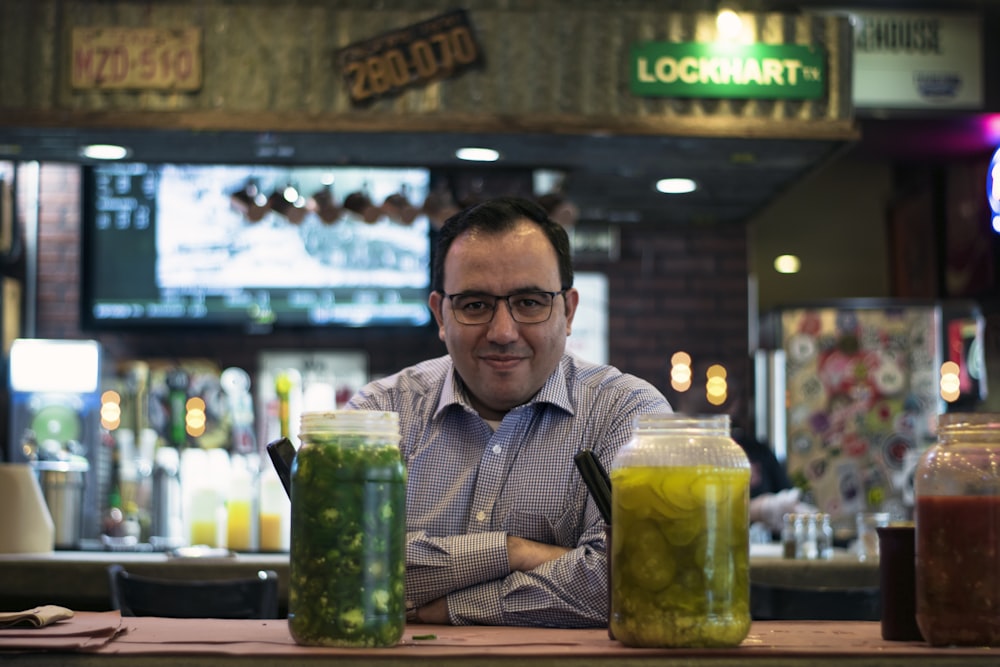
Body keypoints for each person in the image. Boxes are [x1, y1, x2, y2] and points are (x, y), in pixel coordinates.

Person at [347, 196, 671, 627]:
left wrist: (449, 608)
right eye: (475, 305)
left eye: (530, 302)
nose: (502, 332)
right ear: (440, 314)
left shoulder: (629, 415)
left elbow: (641, 580)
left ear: (568, 311)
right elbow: (345, 570)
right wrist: (512, 552)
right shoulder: (378, 415)